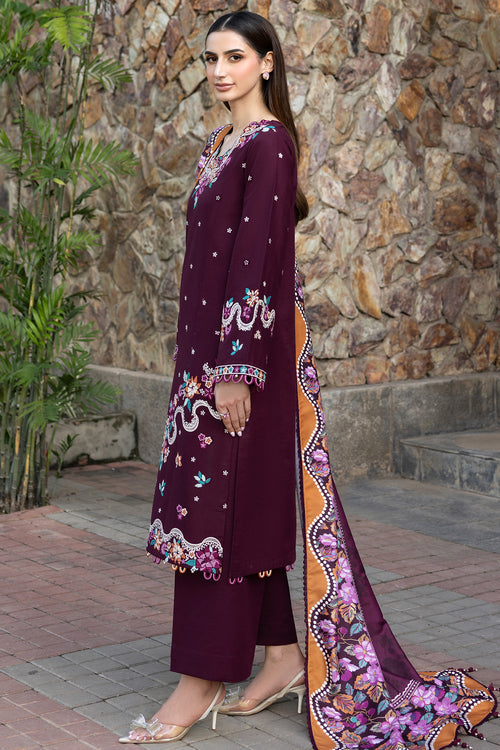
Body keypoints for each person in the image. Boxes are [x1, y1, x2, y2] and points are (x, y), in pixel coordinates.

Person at [120, 10, 497, 748]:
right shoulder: (221, 144)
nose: (219, 71)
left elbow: (255, 262)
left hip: (239, 366)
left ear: (267, 63)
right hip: (204, 363)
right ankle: (284, 658)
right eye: (210, 58)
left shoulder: (268, 144)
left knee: (218, 519)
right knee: (236, 512)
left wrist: (235, 371)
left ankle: (201, 680)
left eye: (235, 57)